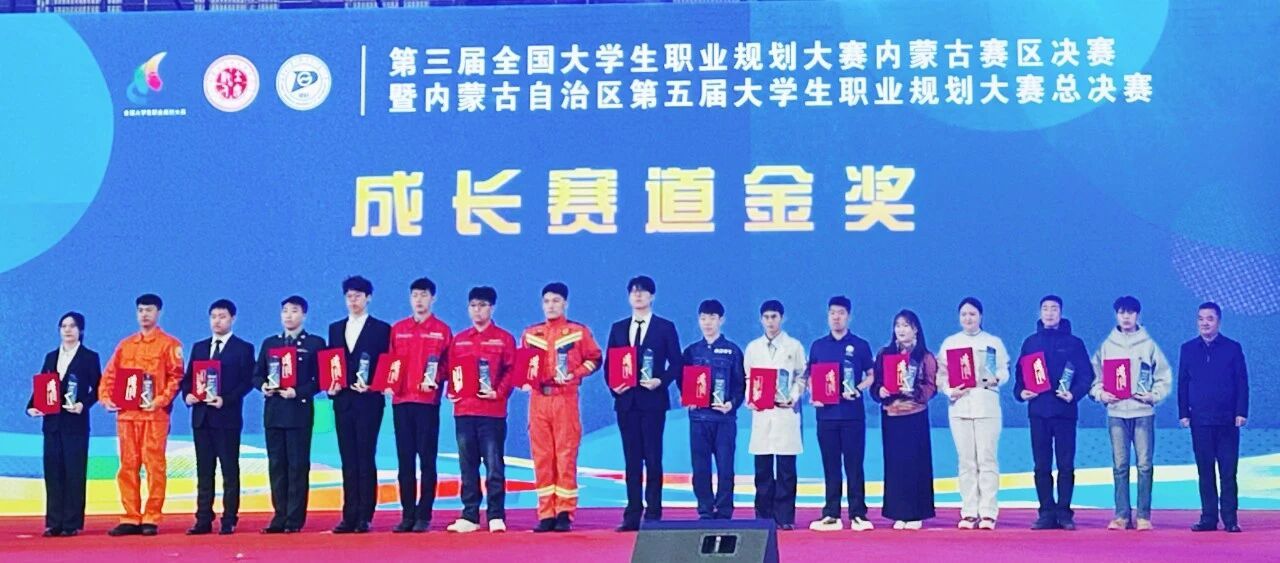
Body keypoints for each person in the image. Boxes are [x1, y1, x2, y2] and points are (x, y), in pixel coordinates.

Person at [519, 282, 602, 533]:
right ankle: (546, 513)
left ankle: (565, 512)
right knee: (542, 457)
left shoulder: (578, 332)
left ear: (565, 303)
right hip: (538, 401)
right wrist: (523, 380)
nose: (551, 306)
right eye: (546, 301)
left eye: (556, 301)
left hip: (565, 398)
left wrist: (575, 374)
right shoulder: (530, 334)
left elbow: (595, 359)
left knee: (566, 455)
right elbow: (523, 366)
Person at [99, 293, 184, 536]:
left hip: (154, 416)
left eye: (149, 310)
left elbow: (176, 377)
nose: (144, 314)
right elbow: (110, 375)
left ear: (159, 313)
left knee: (154, 466)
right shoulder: (125, 345)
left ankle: (151, 517)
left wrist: (160, 400)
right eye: (140, 310)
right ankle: (130, 516)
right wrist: (106, 398)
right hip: (127, 416)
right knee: (127, 466)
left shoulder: (170, 344)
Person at [605, 276, 682, 532]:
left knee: (653, 457)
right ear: (629, 297)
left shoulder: (664, 327)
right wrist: (614, 387)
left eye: (643, 292)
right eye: (634, 292)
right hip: (626, 402)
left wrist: (661, 381)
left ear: (652, 296)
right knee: (631, 460)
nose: (638, 296)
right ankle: (632, 513)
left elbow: (677, 363)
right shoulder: (618, 328)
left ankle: (654, 512)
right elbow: (609, 364)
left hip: (653, 401)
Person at [1090, 296, 1172, 531]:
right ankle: (1121, 516)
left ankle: (1144, 515)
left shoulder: (1149, 345)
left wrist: (1153, 395)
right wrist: (1101, 394)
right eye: (1121, 312)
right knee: (1120, 466)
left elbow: (1164, 377)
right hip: (1116, 413)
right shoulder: (1107, 346)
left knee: (1145, 465)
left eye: (1131, 312)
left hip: (1143, 412)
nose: (1126, 317)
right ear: (1116, 315)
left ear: (1138, 315)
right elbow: (1095, 379)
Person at [1013, 295, 1094, 531]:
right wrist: (1021, 392)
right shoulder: (1030, 342)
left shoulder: (1074, 343)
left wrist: (1074, 394)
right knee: (1041, 465)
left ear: (1061, 313)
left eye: (1054, 309)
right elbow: (1020, 376)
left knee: (1066, 465)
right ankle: (1046, 512)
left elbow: (1086, 375)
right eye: (1045, 309)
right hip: (1038, 412)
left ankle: (1064, 513)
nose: (1049, 313)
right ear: (1040, 313)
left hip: (1065, 411)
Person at [444, 287, 517, 534]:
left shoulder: (504, 339)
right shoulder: (459, 339)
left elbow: (511, 370)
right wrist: (451, 391)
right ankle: (470, 515)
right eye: (473, 305)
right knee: (468, 465)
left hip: (492, 412)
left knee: (494, 465)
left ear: (492, 308)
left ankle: (496, 514)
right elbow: (451, 370)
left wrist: (499, 392)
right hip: (464, 411)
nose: (478, 310)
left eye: (483, 305)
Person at [180, 299, 256, 535]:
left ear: (233, 318)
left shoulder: (243, 348)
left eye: (222, 317)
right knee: (204, 471)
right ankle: (203, 518)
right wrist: (187, 395)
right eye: (213, 317)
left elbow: (247, 382)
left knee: (229, 470)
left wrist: (226, 399)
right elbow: (188, 378)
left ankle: (229, 518)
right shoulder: (200, 347)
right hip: (201, 418)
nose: (217, 321)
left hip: (227, 418)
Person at [386, 277, 453, 533]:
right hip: (402, 402)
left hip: (427, 403)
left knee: (427, 460)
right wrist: (389, 382)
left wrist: (436, 379)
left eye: (424, 295)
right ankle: (407, 514)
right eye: (415, 295)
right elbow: (390, 361)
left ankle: (424, 514)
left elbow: (448, 364)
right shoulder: (398, 329)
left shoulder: (442, 330)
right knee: (405, 461)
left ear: (433, 298)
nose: (419, 300)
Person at [25, 312, 101, 537]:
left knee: (74, 472)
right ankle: (53, 522)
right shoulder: (51, 357)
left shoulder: (89, 357)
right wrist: (31, 407)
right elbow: (42, 385)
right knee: (53, 472)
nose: (68, 330)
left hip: (75, 423)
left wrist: (83, 404)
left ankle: (71, 523)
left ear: (81, 330)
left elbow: (99, 388)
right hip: (52, 424)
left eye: (72, 326)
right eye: (64, 326)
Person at [936, 297, 1009, 530]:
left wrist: (997, 378)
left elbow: (1003, 370)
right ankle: (969, 511)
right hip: (959, 407)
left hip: (987, 406)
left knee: (987, 460)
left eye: (973, 314)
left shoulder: (993, 342)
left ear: (981, 316)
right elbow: (940, 375)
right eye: (964, 314)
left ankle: (988, 512)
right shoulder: (950, 343)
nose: (968, 318)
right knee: (966, 461)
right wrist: (950, 391)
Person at [327, 276, 392, 534]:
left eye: (358, 296)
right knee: (347, 458)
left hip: (369, 401)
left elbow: (387, 365)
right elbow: (332, 364)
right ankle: (348, 514)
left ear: (368, 298)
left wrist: (374, 385)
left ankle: (365, 515)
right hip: (343, 401)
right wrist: (331, 387)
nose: (353, 301)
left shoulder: (381, 329)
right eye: (349, 296)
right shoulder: (335, 328)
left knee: (365, 456)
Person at [256, 295, 325, 534]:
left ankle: (294, 519)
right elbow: (257, 374)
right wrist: (263, 386)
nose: (289, 315)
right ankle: (279, 516)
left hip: (298, 412)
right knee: (277, 465)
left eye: (294, 311)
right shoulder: (270, 343)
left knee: (297, 466)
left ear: (304, 315)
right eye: (285, 310)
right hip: (274, 412)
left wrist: (297, 392)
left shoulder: (315, 343)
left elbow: (321, 380)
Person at [807, 296, 875, 533]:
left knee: (854, 465)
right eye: (832, 313)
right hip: (826, 417)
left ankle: (858, 513)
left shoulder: (860, 345)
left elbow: (871, 375)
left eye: (841, 313)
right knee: (830, 466)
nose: (836, 317)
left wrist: (858, 389)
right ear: (828, 315)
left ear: (849, 316)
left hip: (852, 415)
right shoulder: (818, 346)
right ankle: (831, 513)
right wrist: (814, 394)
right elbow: (810, 377)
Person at [1179, 302, 1248, 533]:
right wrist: (1183, 413)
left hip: (1227, 420)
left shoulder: (1232, 348)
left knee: (1228, 472)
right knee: (1205, 471)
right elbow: (1183, 383)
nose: (1205, 323)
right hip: (1199, 421)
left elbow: (1242, 382)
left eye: (1210, 318)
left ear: (1218, 321)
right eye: (1200, 319)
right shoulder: (1188, 349)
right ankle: (1208, 518)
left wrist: (1241, 412)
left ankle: (1230, 519)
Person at [743, 300, 807, 530]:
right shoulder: (753, 348)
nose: (770, 322)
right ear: (761, 319)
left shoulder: (794, 346)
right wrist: (751, 398)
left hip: (785, 412)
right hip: (762, 413)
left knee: (786, 469)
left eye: (774, 317)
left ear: (782, 318)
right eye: (766, 317)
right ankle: (763, 517)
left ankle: (785, 517)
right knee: (762, 470)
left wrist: (794, 396)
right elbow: (748, 378)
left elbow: (802, 376)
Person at [871, 310, 937, 530]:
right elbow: (876, 384)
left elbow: (931, 386)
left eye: (906, 325)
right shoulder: (885, 354)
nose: (901, 330)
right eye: (898, 325)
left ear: (915, 329)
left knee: (915, 464)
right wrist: (879, 391)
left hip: (915, 416)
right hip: (892, 417)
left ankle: (916, 513)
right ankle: (898, 512)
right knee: (895, 465)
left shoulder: (924, 356)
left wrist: (915, 393)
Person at [679, 299, 745, 521]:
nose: (707, 322)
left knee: (725, 468)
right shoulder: (691, 352)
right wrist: (687, 397)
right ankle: (705, 509)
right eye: (703, 318)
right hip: (699, 419)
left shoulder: (733, 351)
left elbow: (740, 385)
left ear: (721, 320)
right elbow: (682, 379)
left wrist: (731, 404)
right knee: (700, 468)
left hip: (724, 420)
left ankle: (724, 510)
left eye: (712, 318)